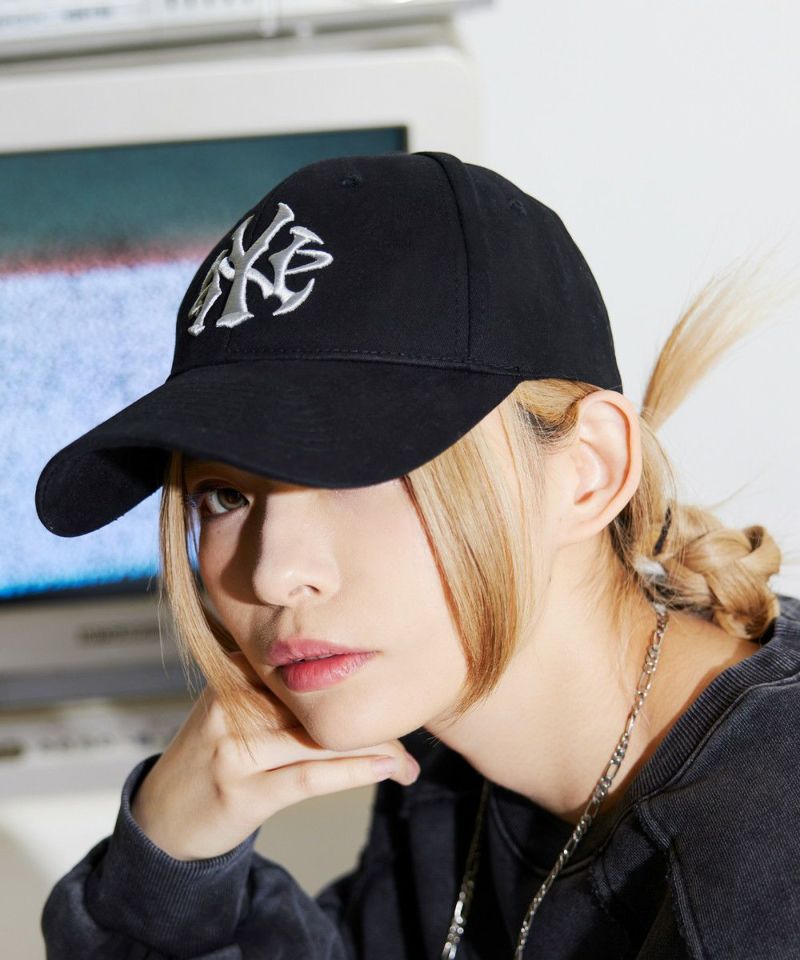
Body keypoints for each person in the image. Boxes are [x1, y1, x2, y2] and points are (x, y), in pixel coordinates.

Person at [34, 151, 799, 960]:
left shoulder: (769, 857)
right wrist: (168, 868)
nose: (273, 573)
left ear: (588, 473)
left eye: (357, 468)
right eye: (224, 496)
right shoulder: (448, 753)